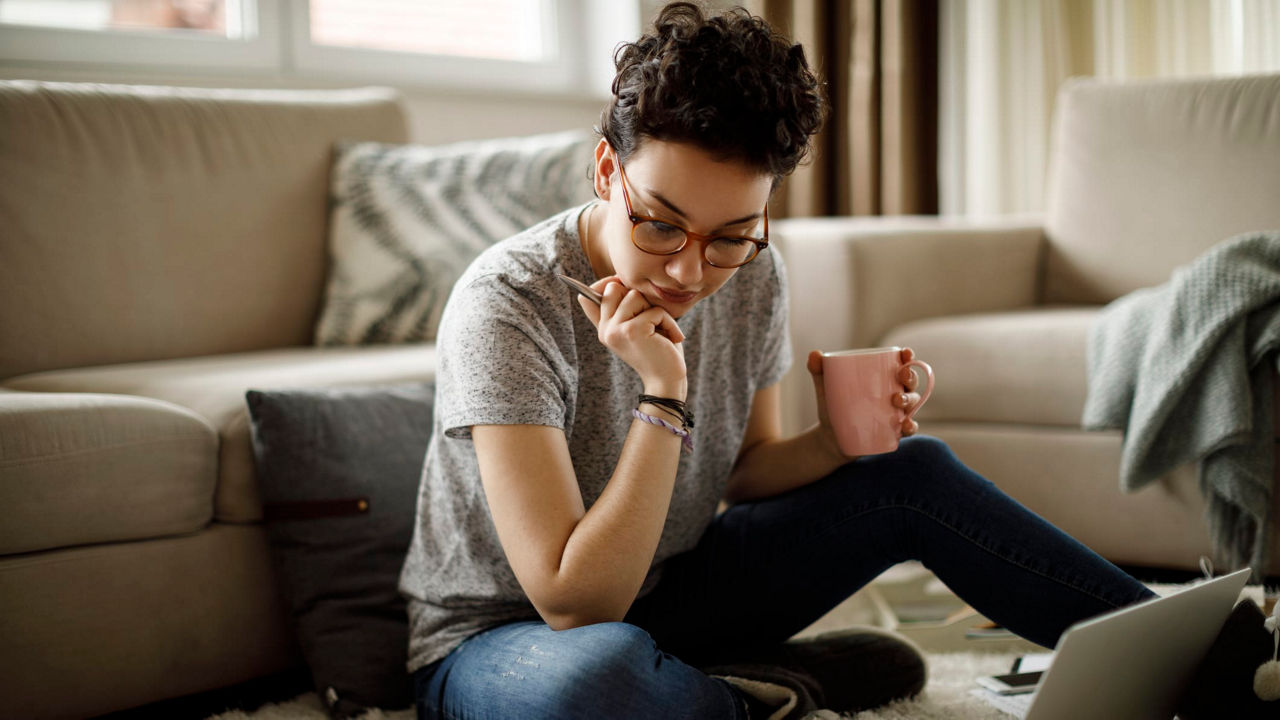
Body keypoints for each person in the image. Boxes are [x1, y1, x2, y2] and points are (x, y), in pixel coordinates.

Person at [398, 3, 1155, 718]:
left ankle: (1196, 652)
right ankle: (770, 690)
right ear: (606, 171)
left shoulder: (756, 271)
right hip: (505, 638)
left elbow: (746, 471)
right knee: (594, 685)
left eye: (731, 234)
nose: (690, 273)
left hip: (677, 591)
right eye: (661, 225)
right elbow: (573, 601)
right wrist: (662, 395)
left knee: (913, 472)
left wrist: (834, 442)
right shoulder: (508, 301)